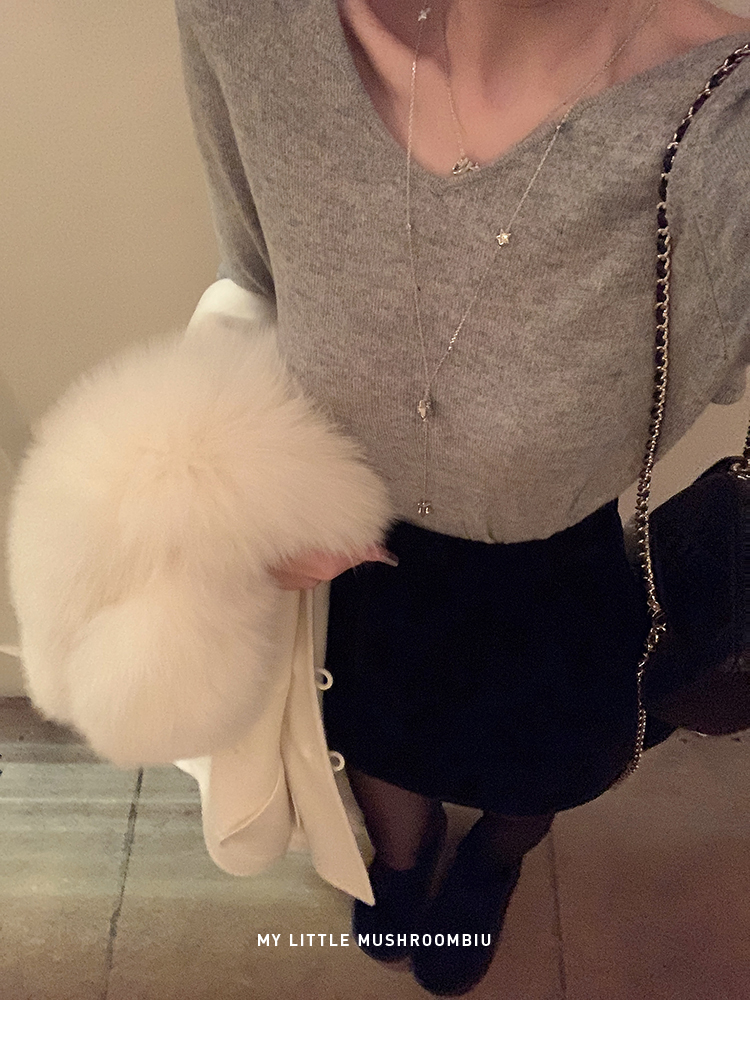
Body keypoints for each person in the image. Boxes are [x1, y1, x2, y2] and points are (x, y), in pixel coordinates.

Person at [175, 0, 750, 996]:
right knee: (378, 742)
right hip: (361, 560)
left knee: (544, 761)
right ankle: (403, 864)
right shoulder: (248, 19)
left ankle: (490, 865)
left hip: (556, 577)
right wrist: (244, 498)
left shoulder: (722, 119)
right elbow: (253, 282)